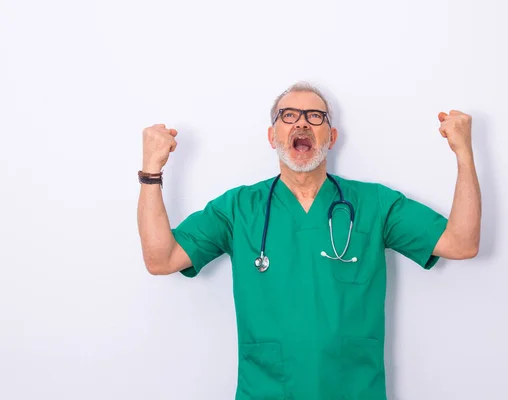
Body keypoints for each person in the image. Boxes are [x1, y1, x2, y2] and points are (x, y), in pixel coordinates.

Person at [137, 82, 481, 399]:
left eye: (314, 116)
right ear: (273, 136)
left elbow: (461, 243)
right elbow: (161, 259)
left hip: (353, 390)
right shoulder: (239, 209)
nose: (301, 123)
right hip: (267, 391)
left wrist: (464, 153)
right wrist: (151, 171)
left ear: (331, 136)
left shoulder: (374, 204)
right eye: (288, 116)